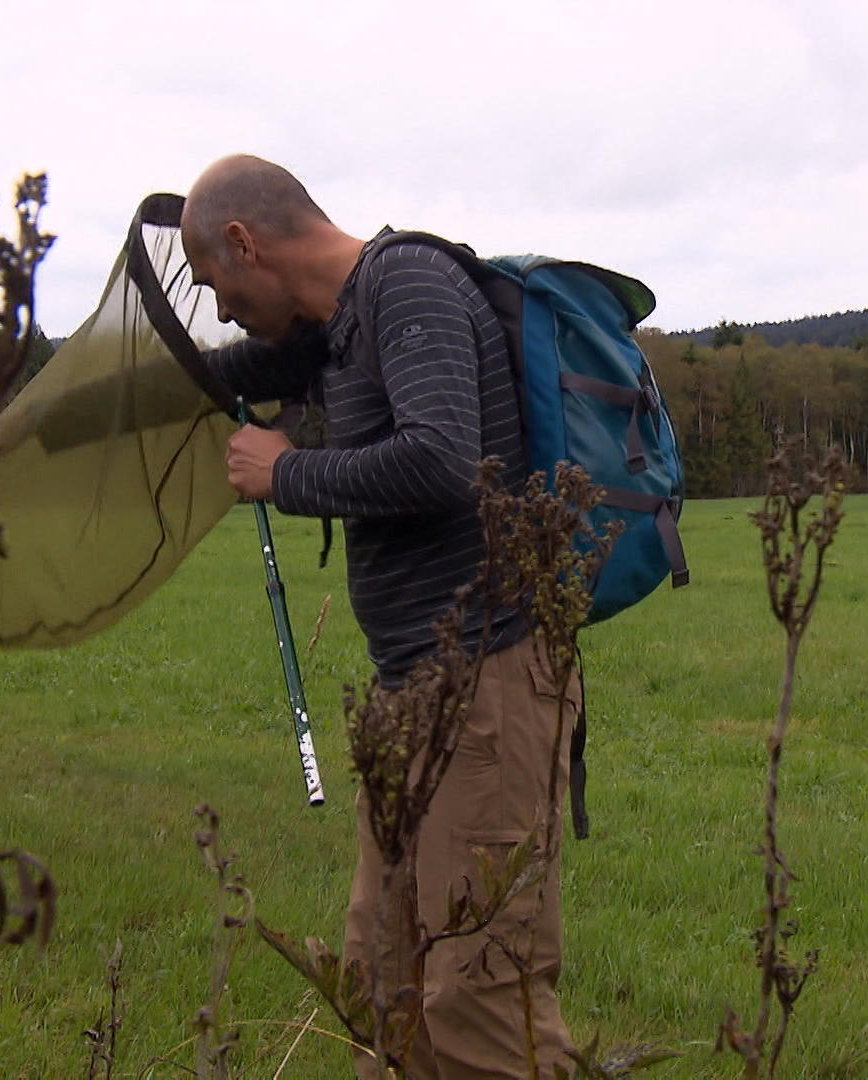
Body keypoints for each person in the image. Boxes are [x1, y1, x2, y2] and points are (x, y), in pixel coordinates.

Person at [186, 154, 579, 1079]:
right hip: (411, 694)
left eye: (216, 284)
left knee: (481, 995)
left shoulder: (409, 286)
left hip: (487, 687)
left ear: (246, 243)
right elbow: (203, 371)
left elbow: (441, 459)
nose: (221, 310)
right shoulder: (334, 329)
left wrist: (286, 473)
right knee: (381, 983)